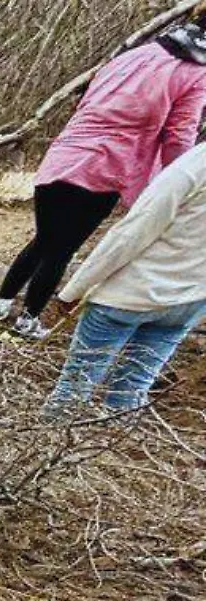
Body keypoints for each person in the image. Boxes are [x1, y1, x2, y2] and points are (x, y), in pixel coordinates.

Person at [0, 20, 206, 341]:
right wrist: (177, 181)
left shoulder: (134, 55)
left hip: (62, 156)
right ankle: (27, 321)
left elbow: (86, 100)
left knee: (44, 240)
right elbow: (179, 135)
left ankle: (0, 306)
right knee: (62, 248)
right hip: (105, 168)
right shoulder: (196, 74)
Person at [45, 142, 206, 419]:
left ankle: (47, 449)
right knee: (130, 393)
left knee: (73, 391)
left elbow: (131, 234)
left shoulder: (192, 168)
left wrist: (73, 291)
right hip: (188, 302)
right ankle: (109, 451)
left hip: (129, 296)